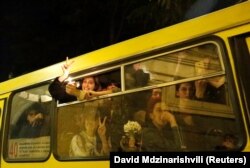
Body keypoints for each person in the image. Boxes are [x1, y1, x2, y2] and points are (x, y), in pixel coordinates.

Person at [49, 57, 119, 103]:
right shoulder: (74, 96)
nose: (86, 85)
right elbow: (53, 90)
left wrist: (77, 92)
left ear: (95, 86)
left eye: (91, 83)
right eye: (85, 82)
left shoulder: (99, 95)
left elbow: (116, 91)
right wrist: (65, 75)